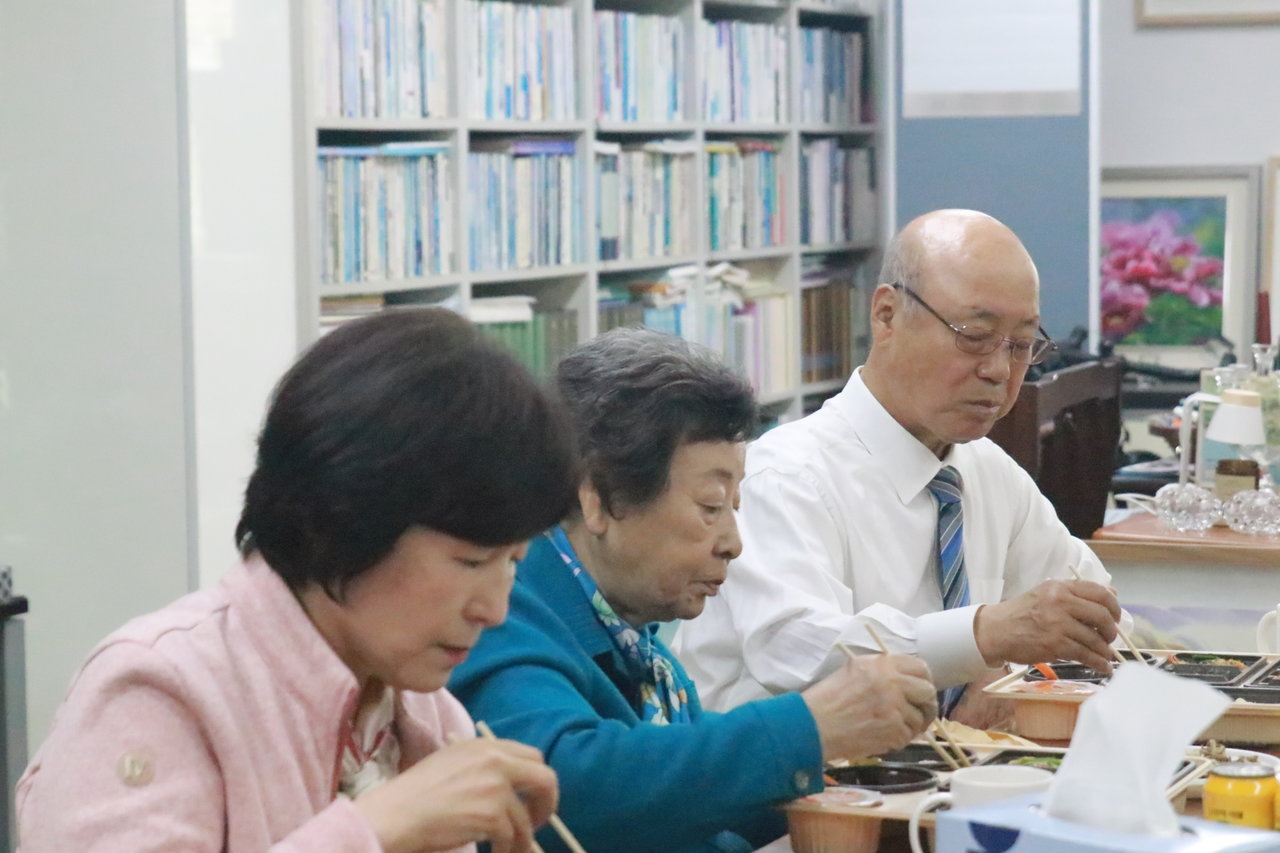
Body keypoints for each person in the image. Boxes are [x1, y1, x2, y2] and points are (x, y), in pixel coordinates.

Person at [17, 308, 578, 853]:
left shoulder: (420, 709)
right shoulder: (161, 690)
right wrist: (378, 829)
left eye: (514, 562)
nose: (494, 610)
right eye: (472, 562)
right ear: (348, 516)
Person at [448, 328, 937, 853]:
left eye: (734, 508)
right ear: (599, 498)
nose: (733, 543)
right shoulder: (503, 611)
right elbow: (560, 786)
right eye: (710, 506)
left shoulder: (636, 640)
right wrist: (810, 728)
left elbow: (684, 804)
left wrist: (848, 767)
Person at [673, 209, 1126, 726]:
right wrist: (984, 637)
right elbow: (798, 652)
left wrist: (1018, 673)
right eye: (975, 336)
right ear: (886, 315)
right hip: (787, 771)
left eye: (1021, 346)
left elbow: (1099, 618)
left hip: (939, 767)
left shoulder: (986, 470)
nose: (999, 370)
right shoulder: (785, 476)